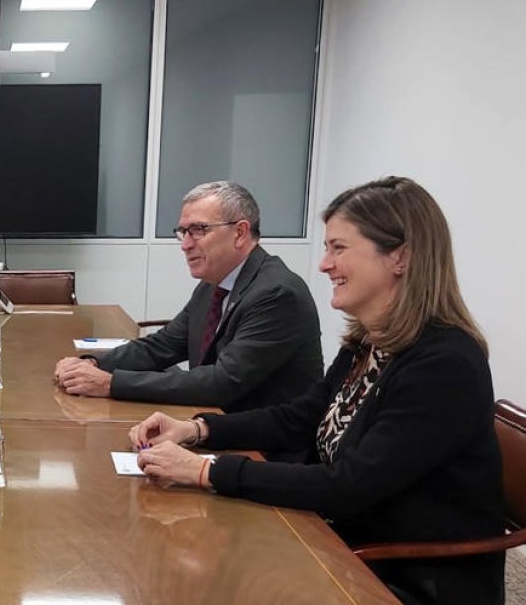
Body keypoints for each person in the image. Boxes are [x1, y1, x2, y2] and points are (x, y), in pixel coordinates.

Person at [130, 177, 504, 605]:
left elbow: (348, 486)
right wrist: (197, 430)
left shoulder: (444, 364)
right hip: (338, 537)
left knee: (202, 576)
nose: (324, 265)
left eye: (338, 248)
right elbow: (300, 417)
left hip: (401, 576)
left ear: (400, 257)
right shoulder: (370, 342)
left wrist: (205, 471)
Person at [54, 181, 322, 416]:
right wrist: (93, 363)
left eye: (198, 230)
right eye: (183, 232)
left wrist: (110, 383)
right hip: (212, 424)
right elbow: (163, 346)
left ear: (240, 233)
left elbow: (222, 382)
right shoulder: (213, 285)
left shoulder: (277, 293)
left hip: (262, 446)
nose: (185, 245)